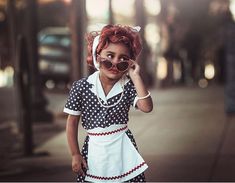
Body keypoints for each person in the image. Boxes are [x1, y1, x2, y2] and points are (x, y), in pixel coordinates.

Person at [64, 24, 153, 182]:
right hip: (94, 150)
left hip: (123, 149)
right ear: (97, 55)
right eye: (110, 56)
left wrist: (136, 77)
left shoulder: (128, 86)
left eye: (123, 59)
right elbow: (72, 122)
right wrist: (75, 154)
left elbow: (147, 107)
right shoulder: (81, 87)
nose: (115, 63)